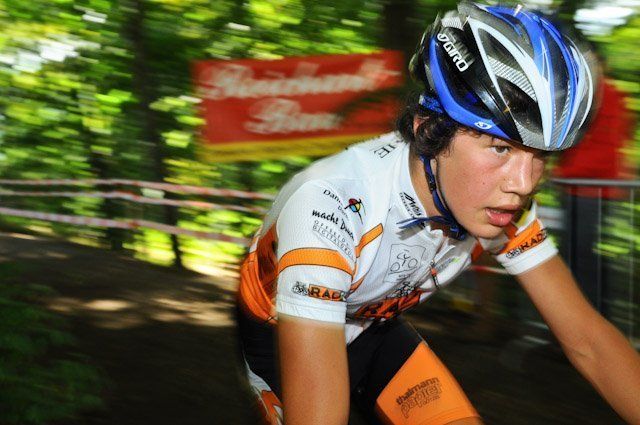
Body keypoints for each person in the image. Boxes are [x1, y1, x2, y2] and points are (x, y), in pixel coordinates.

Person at [235, 3, 640, 424]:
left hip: (373, 328)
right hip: (282, 329)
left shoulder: (500, 202)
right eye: (500, 147)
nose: (523, 183)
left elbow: (588, 342)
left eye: (542, 156)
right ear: (428, 128)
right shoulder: (331, 205)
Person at [554, 78, 636, 316]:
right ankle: (592, 314)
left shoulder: (591, 93)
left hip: (584, 188)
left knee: (580, 259)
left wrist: (564, 170)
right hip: (594, 188)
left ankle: (583, 315)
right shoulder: (614, 95)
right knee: (585, 257)